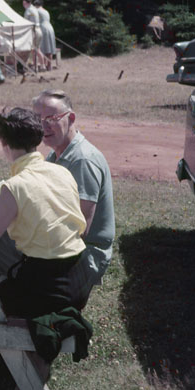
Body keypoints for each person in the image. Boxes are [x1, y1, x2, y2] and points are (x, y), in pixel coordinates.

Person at [0, 107, 86, 320]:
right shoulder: (62, 172)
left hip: (47, 289)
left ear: (4, 144)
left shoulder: (15, 186)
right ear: (37, 140)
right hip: (79, 280)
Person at [32, 90, 115, 304]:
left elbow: (79, 229)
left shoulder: (83, 161)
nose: (43, 126)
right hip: (63, 246)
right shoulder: (55, 154)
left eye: (51, 119)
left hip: (84, 256)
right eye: (38, 119)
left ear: (71, 119)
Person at [22, 0, 47, 71]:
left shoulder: (28, 10)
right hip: (38, 30)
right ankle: (42, 66)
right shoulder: (34, 9)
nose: (23, 5)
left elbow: (25, 22)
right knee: (37, 49)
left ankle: (36, 67)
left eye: (24, 3)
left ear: (27, 3)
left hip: (34, 31)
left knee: (34, 50)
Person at [33, 0, 57, 67]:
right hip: (50, 28)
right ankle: (49, 65)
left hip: (43, 29)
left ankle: (45, 65)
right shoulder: (46, 11)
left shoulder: (37, 11)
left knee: (43, 48)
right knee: (49, 48)